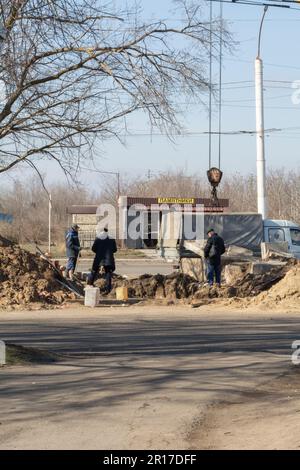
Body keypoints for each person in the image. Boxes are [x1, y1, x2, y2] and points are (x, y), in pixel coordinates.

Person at [87, 228, 117, 293]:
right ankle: (108, 290)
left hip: (99, 258)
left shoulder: (98, 238)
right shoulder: (111, 238)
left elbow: (93, 249)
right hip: (108, 259)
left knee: (94, 271)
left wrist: (99, 251)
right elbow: (115, 249)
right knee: (108, 273)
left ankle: (89, 285)